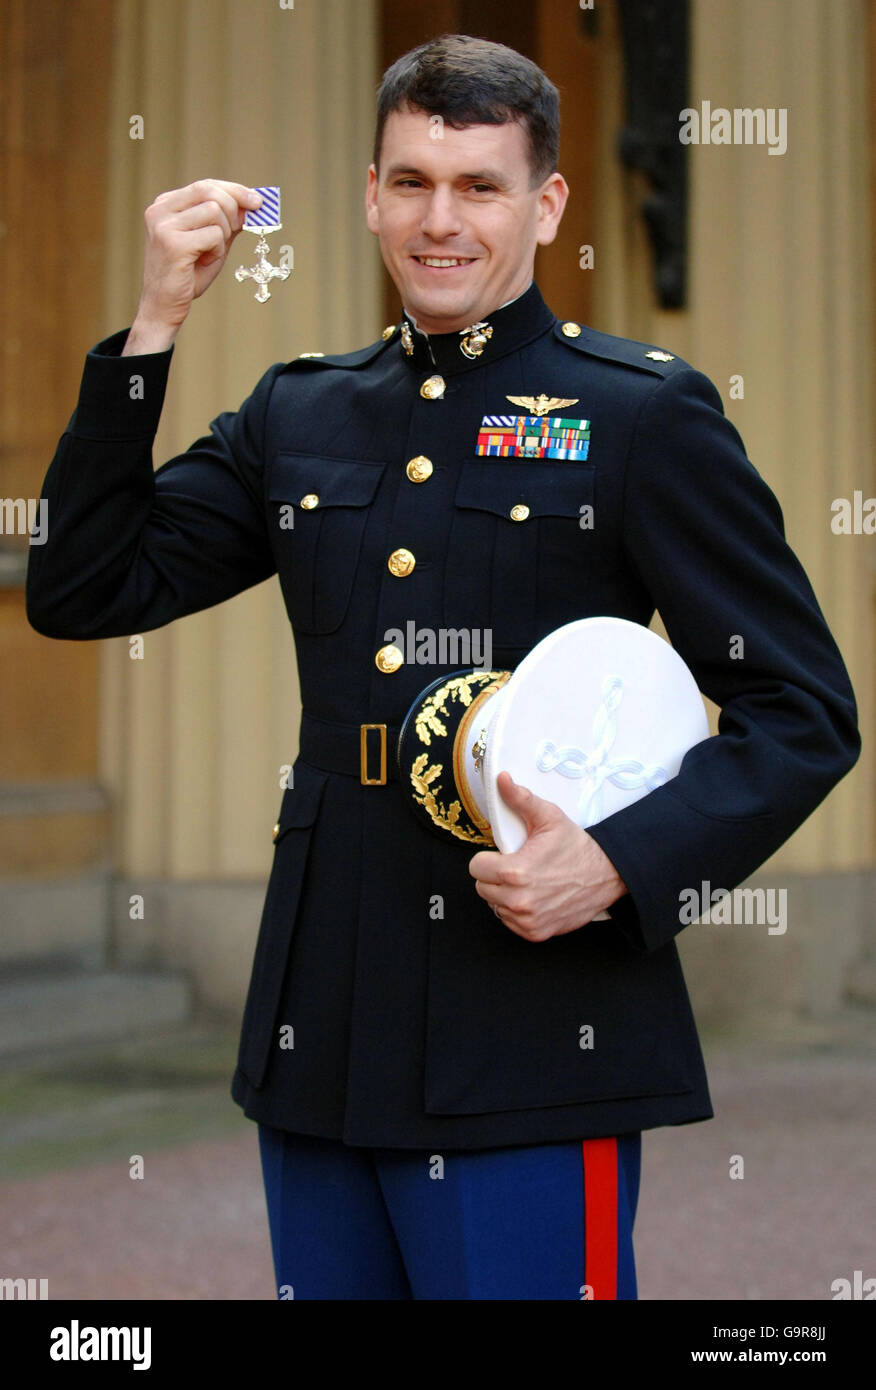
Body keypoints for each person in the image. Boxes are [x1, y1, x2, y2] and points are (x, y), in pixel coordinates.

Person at [27, 34, 859, 1300]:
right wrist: (155, 324)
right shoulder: (300, 411)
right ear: (368, 194)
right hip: (325, 1017)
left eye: (479, 186)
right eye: (411, 182)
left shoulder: (637, 413)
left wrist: (621, 864)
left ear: (547, 204)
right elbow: (86, 587)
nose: (440, 220)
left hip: (530, 1026)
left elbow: (801, 708)